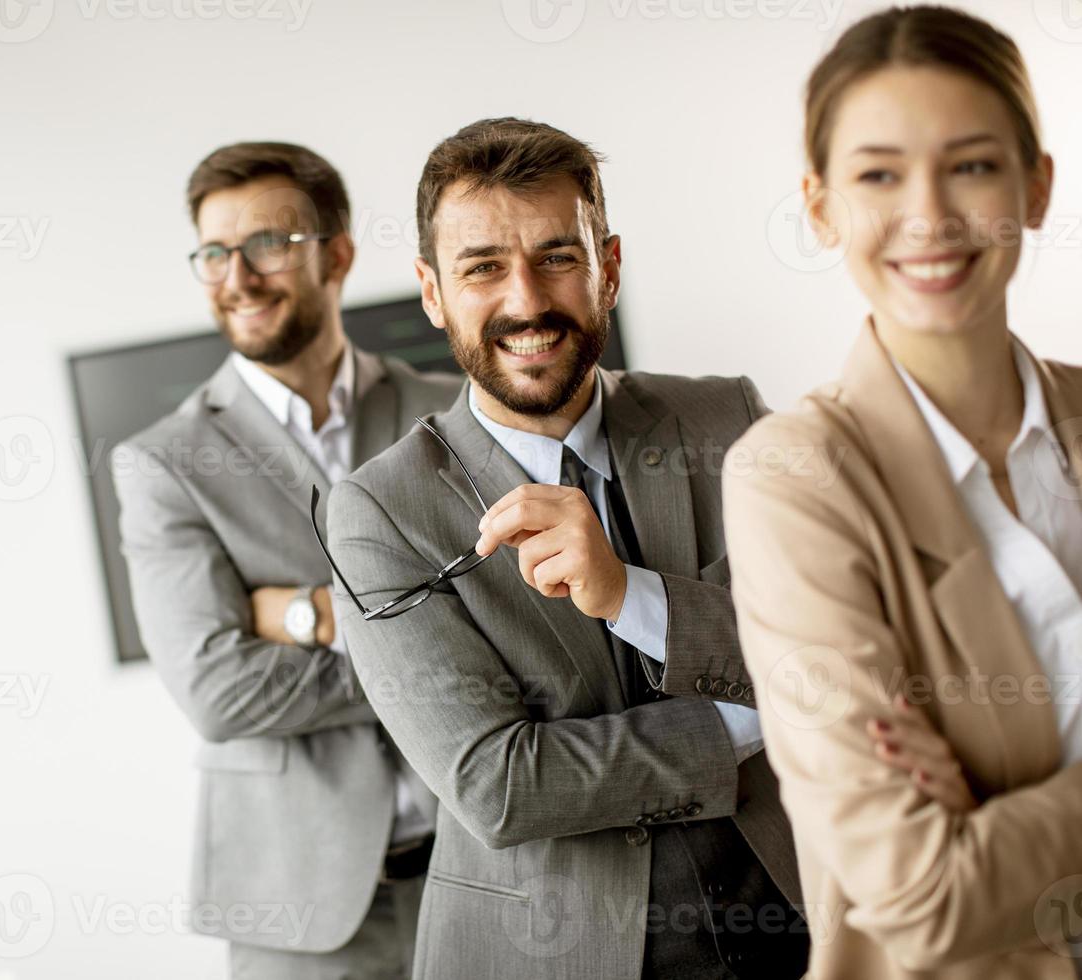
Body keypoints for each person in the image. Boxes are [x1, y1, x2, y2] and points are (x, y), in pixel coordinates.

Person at [322, 117, 810, 979]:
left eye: (558, 256)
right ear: (432, 292)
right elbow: (499, 787)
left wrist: (631, 595)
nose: (526, 301)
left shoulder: (727, 419)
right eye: (482, 268)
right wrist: (756, 716)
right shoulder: (377, 512)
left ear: (608, 267)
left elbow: (828, 652)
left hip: (801, 913)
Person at [722, 7, 1082, 978]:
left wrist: (1003, 807)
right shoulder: (791, 475)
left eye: (970, 163)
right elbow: (923, 899)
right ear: (821, 205)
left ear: (1035, 185)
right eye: (879, 174)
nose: (928, 215)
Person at [110, 141, 460, 978]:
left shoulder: (451, 412)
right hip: (299, 910)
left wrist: (297, 615)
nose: (237, 276)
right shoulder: (163, 463)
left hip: (487, 871)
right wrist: (441, 657)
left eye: (268, 244)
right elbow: (220, 693)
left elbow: (535, 627)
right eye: (213, 253)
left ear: (336, 254)